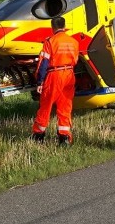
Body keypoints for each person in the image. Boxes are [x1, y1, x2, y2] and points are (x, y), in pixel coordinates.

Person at [31, 16, 80, 146]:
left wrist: (40, 81)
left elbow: (44, 63)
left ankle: (38, 136)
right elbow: (76, 60)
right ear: (64, 26)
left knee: (45, 105)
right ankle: (64, 139)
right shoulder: (73, 42)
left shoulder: (50, 41)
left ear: (53, 27)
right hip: (69, 74)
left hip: (54, 74)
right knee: (65, 107)